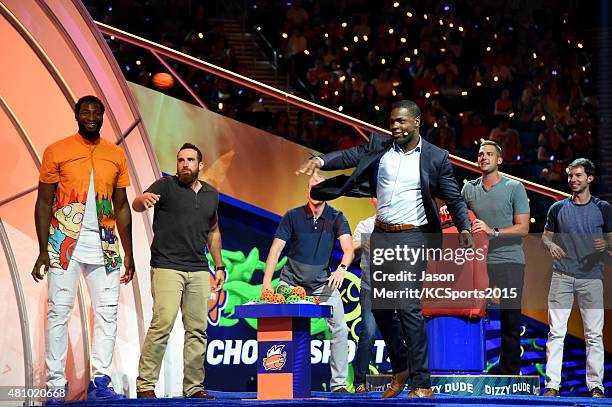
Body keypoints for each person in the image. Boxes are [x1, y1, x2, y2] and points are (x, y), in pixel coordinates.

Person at [298, 100, 472, 398]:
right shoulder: (380, 146)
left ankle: (421, 383)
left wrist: (464, 228)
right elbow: (350, 155)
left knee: (408, 307)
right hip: (382, 236)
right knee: (380, 308)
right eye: (392, 121)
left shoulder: (435, 156)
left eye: (402, 121)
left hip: (413, 237)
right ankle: (402, 366)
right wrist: (322, 161)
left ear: (417, 122)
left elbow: (453, 197)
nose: (395, 126)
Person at [32, 95, 134, 402]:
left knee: (107, 313)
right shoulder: (57, 150)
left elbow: (122, 205)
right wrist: (42, 249)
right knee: (58, 313)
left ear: (103, 116)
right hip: (64, 241)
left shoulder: (115, 154)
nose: (91, 116)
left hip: (105, 242)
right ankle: (54, 386)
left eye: (96, 112)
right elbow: (43, 201)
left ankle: (100, 381)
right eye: (85, 112)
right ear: (77, 116)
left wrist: (128, 252)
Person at [134, 143, 225, 399]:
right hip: (166, 267)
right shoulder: (165, 186)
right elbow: (137, 203)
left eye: (190, 160)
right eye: (181, 160)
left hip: (198, 269)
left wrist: (219, 266)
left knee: (198, 330)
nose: (185, 164)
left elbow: (214, 231)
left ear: (200, 165)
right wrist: (143, 200)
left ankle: (194, 388)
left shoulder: (211, 194)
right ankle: (145, 386)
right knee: (162, 324)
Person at [262, 175, 354, 393]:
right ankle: (280, 383)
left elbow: (349, 249)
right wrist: (267, 282)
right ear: (307, 191)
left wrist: (341, 269)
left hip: (322, 286)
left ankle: (339, 384)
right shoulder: (292, 216)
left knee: (340, 328)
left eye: (320, 187)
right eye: (312, 187)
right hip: (290, 284)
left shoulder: (337, 217)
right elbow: (275, 251)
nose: (316, 191)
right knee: (286, 327)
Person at [541, 158, 611, 398]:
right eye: (571, 176)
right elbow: (545, 237)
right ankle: (552, 385)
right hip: (561, 276)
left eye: (578, 176)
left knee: (594, 335)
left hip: (591, 278)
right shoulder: (558, 208)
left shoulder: (603, 208)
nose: (573, 180)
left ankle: (596, 387)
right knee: (556, 332)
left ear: (589, 178)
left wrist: (606, 245)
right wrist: (549, 245)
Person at [461, 140, 530, 374]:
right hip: (478, 262)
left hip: (510, 260)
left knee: (510, 316)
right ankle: (470, 364)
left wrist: (493, 232)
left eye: (489, 154)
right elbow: (461, 222)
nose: (483, 157)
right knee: (472, 311)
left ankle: (509, 370)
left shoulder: (514, 187)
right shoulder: (468, 189)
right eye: (480, 154)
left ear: (499, 160)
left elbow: (522, 228)